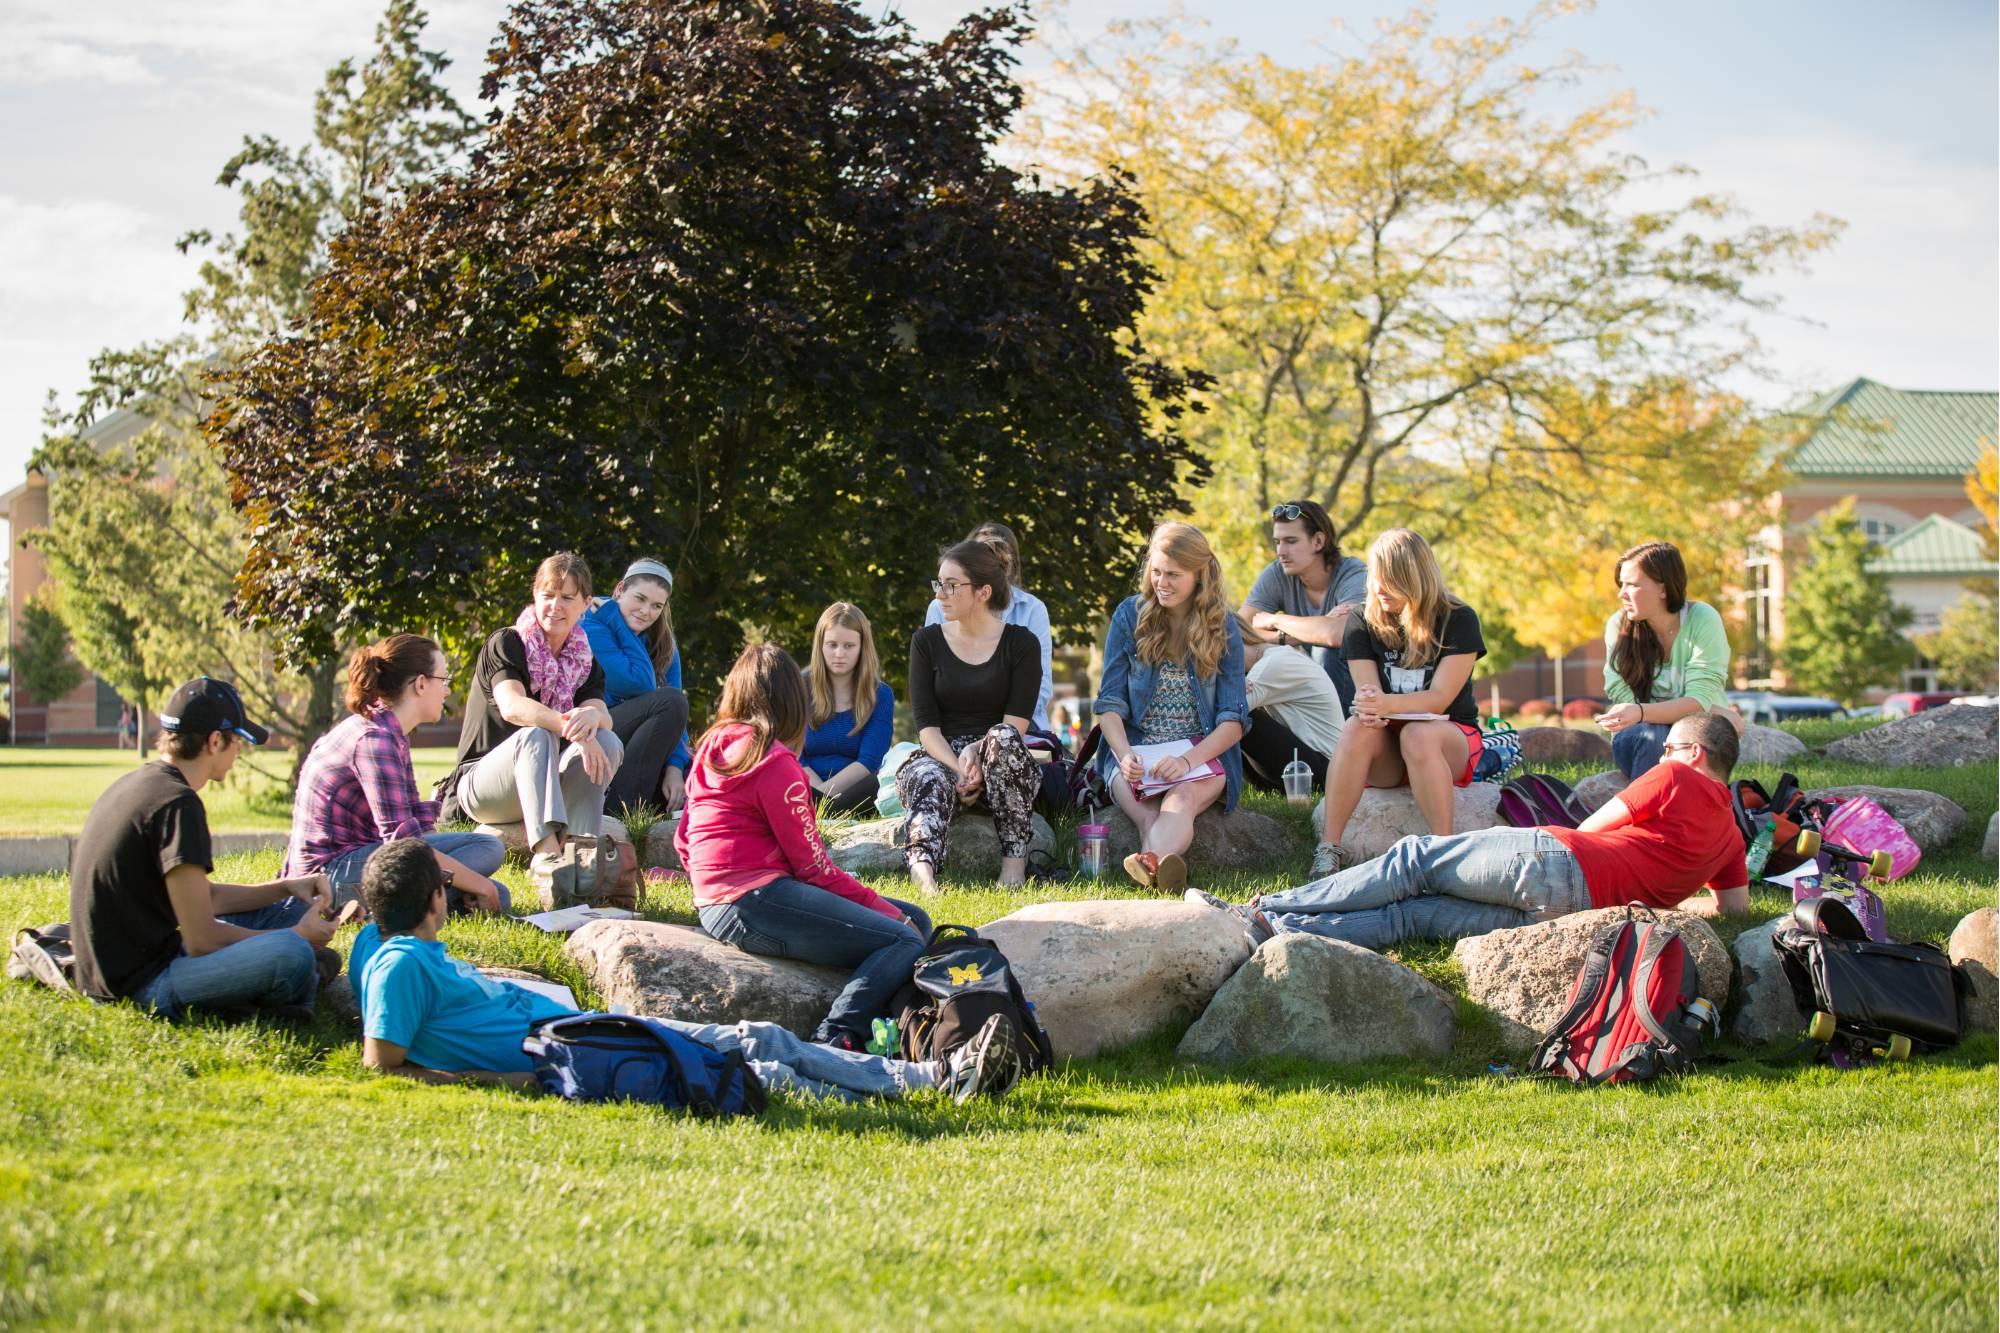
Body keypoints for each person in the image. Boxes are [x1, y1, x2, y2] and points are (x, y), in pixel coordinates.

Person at [352, 839, 1017, 1103]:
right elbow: (382, 1060)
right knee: (760, 1068)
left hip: (581, 1029)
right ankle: (933, 1084)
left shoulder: (393, 951)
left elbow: (361, 948)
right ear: (434, 896)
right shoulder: (399, 964)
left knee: (763, 1038)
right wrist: (505, 1076)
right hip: (569, 1053)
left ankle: (933, 1075)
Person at [1192, 713, 1750, 950]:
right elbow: (1733, 913)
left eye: (1669, 746)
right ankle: (1274, 929)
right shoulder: (1730, 836)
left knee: (1413, 859)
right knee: (1410, 917)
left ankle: (1260, 908)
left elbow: (1597, 827)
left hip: (1556, 859)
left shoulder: (1675, 775)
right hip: (1575, 913)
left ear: (1692, 752)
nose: (1663, 753)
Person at [678, 643, 934, 1050]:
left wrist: (709, 887)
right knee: (904, 938)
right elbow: (813, 869)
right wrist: (884, 912)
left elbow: (683, 839)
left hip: (720, 901)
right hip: (755, 900)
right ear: (791, 702)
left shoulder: (714, 745)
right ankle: (834, 1035)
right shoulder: (774, 762)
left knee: (916, 919)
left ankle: (897, 1022)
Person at [68, 677, 339, 1020]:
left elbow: (204, 899)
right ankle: (287, 988)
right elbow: (201, 939)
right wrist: (299, 936)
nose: (239, 751)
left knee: (286, 910)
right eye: (237, 741)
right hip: (142, 986)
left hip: (114, 970)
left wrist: (286, 886)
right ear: (215, 741)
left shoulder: (143, 783)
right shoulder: (179, 805)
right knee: (291, 952)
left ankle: (294, 973)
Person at [436, 552, 625, 903]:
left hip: (543, 782)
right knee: (536, 735)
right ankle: (548, 858)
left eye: (568, 597)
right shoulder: (508, 643)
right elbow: (513, 706)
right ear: (534, 596)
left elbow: (603, 714)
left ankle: (583, 859)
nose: (556, 606)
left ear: (585, 604)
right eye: (547, 595)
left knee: (608, 741)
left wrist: (593, 722)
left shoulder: (582, 659)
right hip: (485, 786)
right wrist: (573, 726)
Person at [284, 634, 509, 915]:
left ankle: (428, 901)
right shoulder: (374, 741)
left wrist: (467, 880)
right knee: (490, 890)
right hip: (326, 878)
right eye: (444, 679)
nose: (448, 691)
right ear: (421, 684)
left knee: (489, 850)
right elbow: (404, 847)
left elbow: (416, 827)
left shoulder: (391, 733)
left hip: (364, 857)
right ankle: (403, 907)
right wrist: (478, 885)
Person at [1310, 529, 1486, 879]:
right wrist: (1372, 706)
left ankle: (1443, 851)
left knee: (1419, 734)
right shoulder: (1362, 621)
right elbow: (1369, 696)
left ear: (1416, 577)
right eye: (1375, 578)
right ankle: (1328, 849)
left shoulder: (1459, 619)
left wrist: (1383, 704)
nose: (1379, 589)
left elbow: (1439, 701)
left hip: (1448, 740)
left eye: (1391, 580)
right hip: (1388, 747)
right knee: (1356, 726)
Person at [1092, 523, 1248, 892]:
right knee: (1147, 816)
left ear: (1199, 576)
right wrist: (1124, 753)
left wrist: (1186, 761)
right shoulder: (1130, 616)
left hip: (1199, 753)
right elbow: (1109, 704)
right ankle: (1160, 876)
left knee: (1182, 797)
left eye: (1174, 575)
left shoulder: (1222, 625)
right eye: (1156, 571)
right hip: (1137, 749)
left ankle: (1149, 873)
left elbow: (1233, 721)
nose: (1162, 582)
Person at [900, 539, 1045, 891]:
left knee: (1004, 738)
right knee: (927, 775)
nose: (940, 595)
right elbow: (927, 729)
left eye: (951, 585)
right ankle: (924, 877)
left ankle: (1013, 867)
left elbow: (1016, 725)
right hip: (943, 757)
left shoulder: (1022, 645)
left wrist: (977, 752)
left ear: (982, 592)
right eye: (939, 584)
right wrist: (958, 769)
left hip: (1001, 762)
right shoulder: (926, 642)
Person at [1238, 500, 1369, 786]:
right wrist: (1312, 628)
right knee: (1241, 670)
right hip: (1302, 703)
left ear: (1319, 540)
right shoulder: (1277, 573)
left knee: (1329, 650)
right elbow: (1238, 631)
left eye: (1291, 541)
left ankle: (1347, 757)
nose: (1281, 551)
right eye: (1277, 542)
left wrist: (1275, 620)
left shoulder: (1352, 574)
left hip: (1358, 691)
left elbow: (1338, 634)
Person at [1595, 540, 1745, 779]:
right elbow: (1625, 701)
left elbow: (1697, 700)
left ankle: (1658, 810)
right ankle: (1652, 812)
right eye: (1621, 583)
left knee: (1683, 742)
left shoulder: (1703, 620)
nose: (1621, 593)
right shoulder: (1617, 626)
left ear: (1663, 589)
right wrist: (1713, 710)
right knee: (1653, 735)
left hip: (1698, 736)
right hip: (1639, 737)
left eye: (1632, 584)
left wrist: (1643, 710)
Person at [580, 557, 693, 817]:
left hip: (639, 746)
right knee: (670, 701)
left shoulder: (663, 642)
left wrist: (675, 767)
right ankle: (619, 813)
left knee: (690, 776)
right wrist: (614, 616)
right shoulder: (592, 623)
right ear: (620, 590)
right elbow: (638, 683)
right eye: (639, 599)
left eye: (656, 606)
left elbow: (678, 718)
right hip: (595, 732)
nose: (646, 611)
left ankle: (642, 814)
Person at [924, 521, 1056, 736]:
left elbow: (1040, 690)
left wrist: (993, 730)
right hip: (953, 733)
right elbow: (929, 693)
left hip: (1019, 731)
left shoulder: (1031, 611)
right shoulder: (939, 609)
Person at [799, 602, 896, 817]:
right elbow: (794, 755)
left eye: (849, 646)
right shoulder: (799, 688)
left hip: (858, 793)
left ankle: (821, 812)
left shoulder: (881, 694)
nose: (839, 653)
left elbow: (869, 761)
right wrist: (812, 794)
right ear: (820, 646)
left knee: (890, 777)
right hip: (802, 787)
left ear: (863, 647)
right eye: (832, 644)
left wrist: (820, 799)